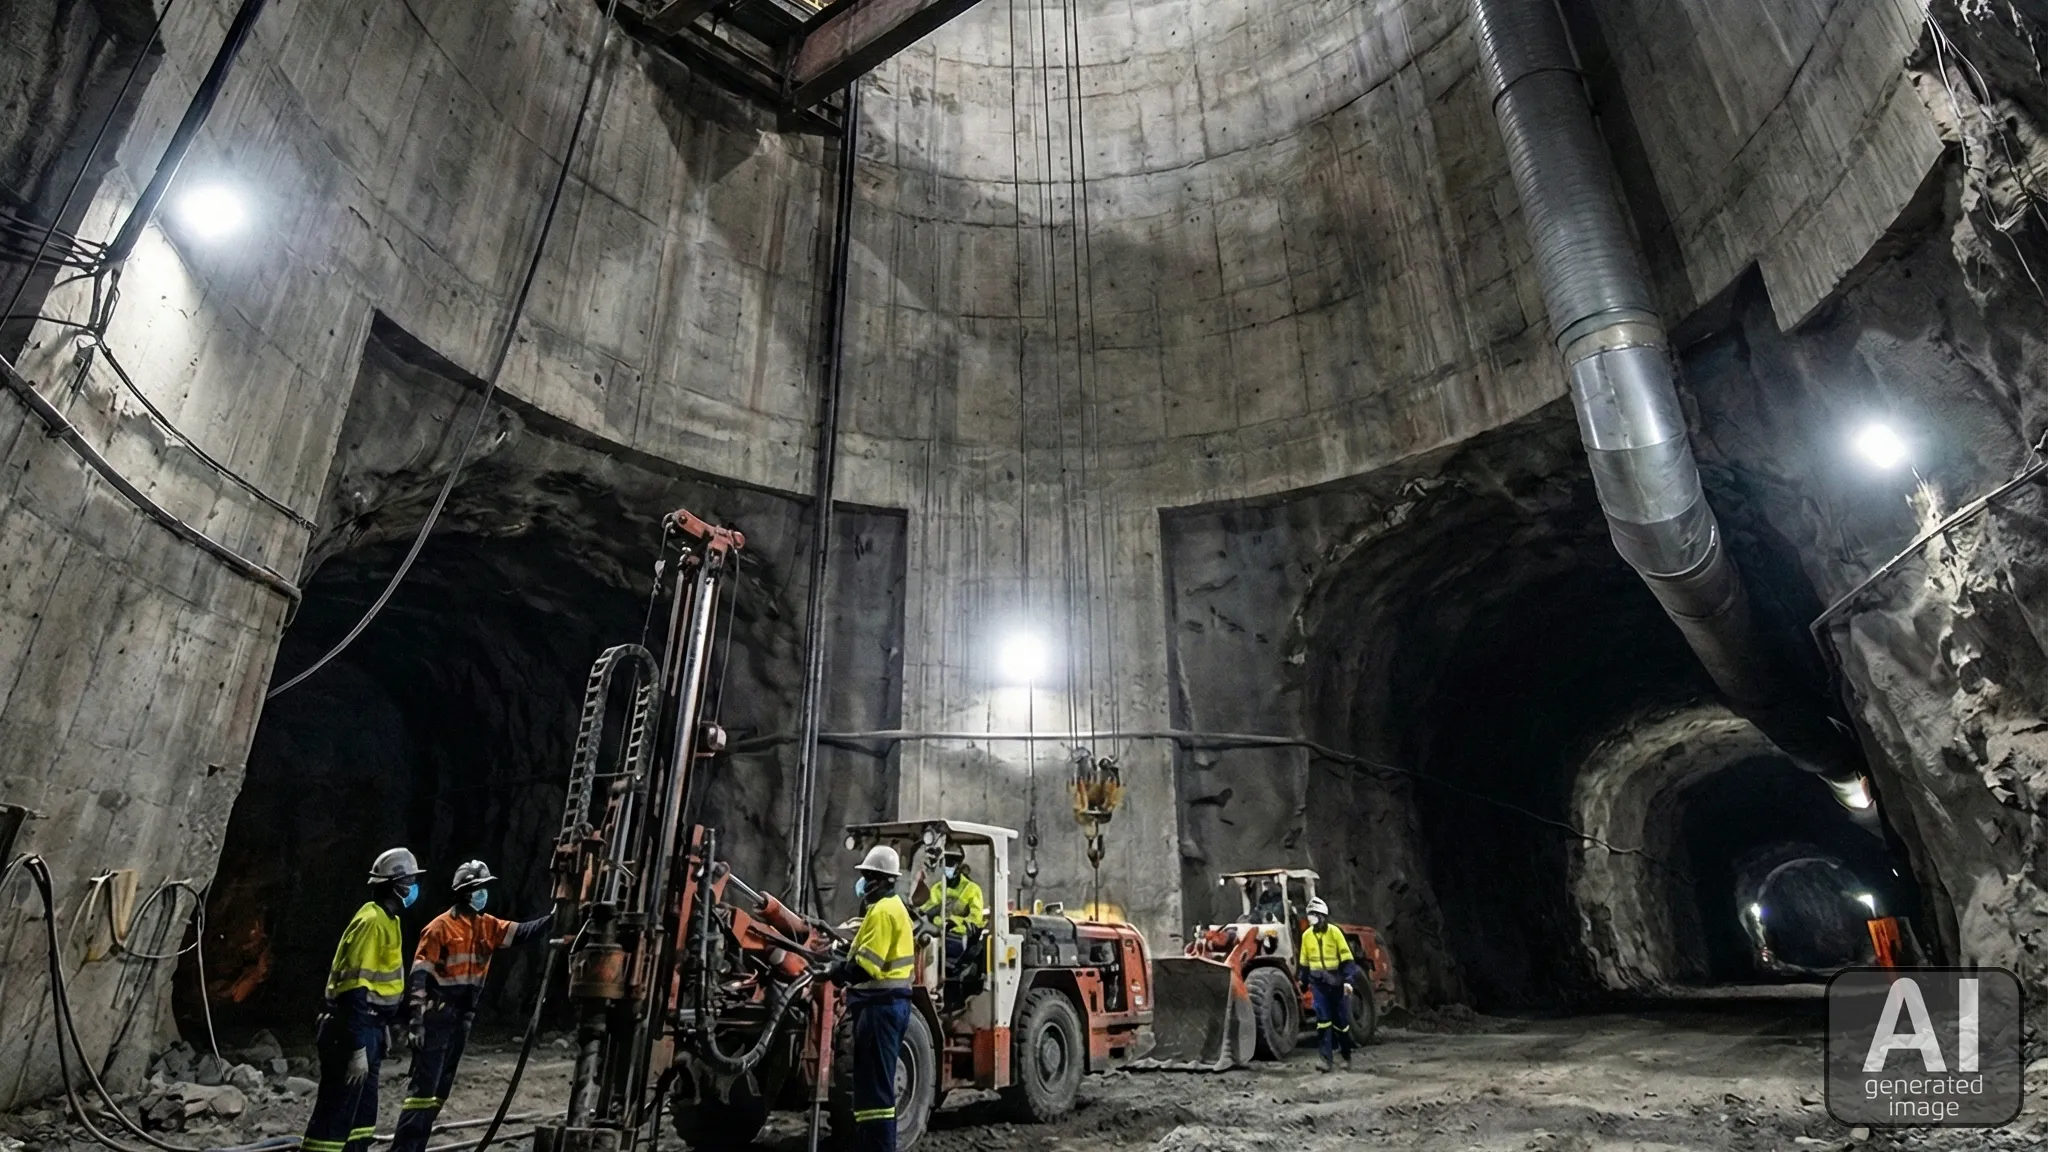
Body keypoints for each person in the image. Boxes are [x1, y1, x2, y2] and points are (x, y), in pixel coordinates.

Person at [390, 860, 552, 1152]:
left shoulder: (487, 925)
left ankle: (417, 1146)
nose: (483, 894)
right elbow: (418, 978)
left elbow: (523, 932)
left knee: (440, 1091)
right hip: (437, 1016)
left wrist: (555, 916)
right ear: (465, 892)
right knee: (422, 1092)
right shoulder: (439, 928)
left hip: (462, 1017)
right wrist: (415, 1022)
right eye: (479, 888)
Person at [301, 848, 424, 1152]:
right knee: (335, 1117)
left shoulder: (388, 920)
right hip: (349, 1029)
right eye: (409, 880)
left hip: (368, 1026)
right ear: (393, 884)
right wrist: (357, 1047)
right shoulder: (372, 922)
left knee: (362, 1118)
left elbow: (376, 988)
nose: (413, 886)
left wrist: (381, 1024)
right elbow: (354, 991)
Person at [824, 845, 915, 1152]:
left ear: (882, 880)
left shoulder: (882, 912)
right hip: (884, 1007)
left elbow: (866, 966)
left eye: (867, 877)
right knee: (872, 1090)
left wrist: (835, 972)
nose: (862, 883)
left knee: (875, 1093)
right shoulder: (889, 909)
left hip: (880, 1008)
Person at [1296, 896, 1363, 1072]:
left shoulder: (1334, 932)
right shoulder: (1306, 936)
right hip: (1319, 985)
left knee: (1341, 1022)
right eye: (1309, 915)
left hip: (1337, 983)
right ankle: (1326, 1060)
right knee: (1322, 1021)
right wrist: (1302, 983)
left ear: (1322, 915)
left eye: (1314, 915)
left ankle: (1346, 1055)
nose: (1310, 918)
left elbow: (1348, 960)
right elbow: (1304, 962)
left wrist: (1348, 981)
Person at [920, 845, 986, 964]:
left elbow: (975, 920)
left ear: (959, 866)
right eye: (945, 863)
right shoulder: (937, 888)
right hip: (938, 938)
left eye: (950, 864)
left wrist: (953, 922)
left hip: (960, 941)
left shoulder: (972, 889)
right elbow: (927, 912)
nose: (947, 867)